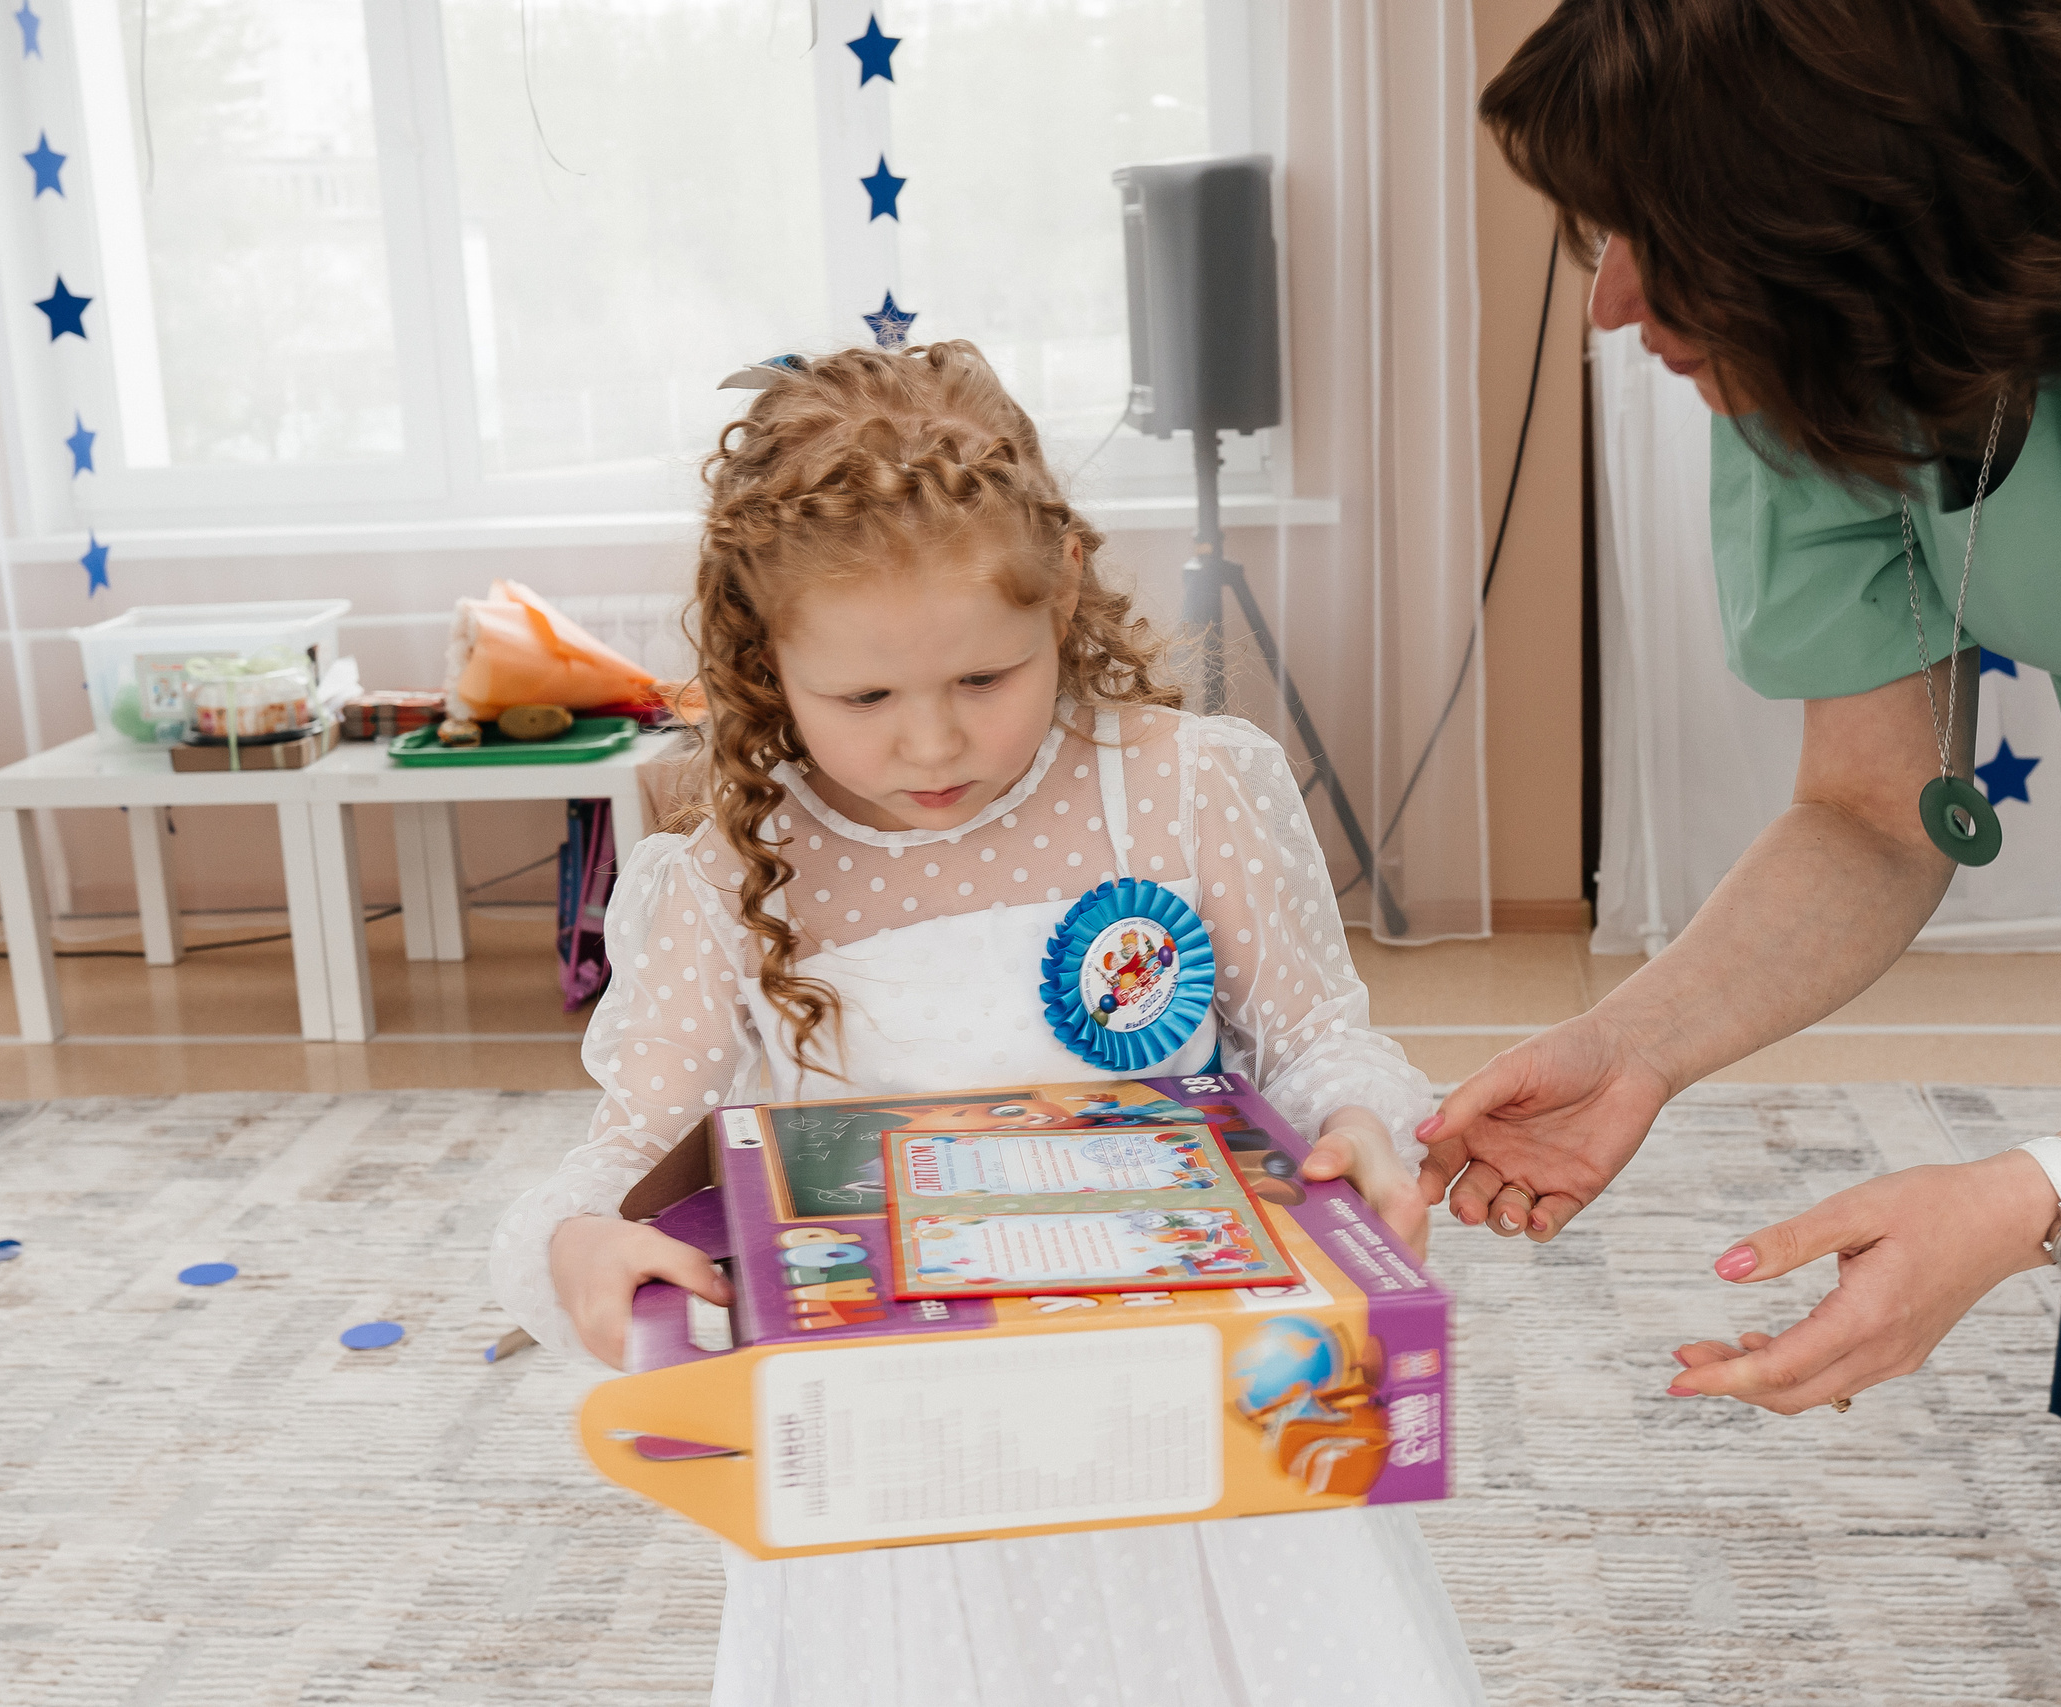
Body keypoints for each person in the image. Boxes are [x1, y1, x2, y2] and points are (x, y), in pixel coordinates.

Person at [1429, 4, 2061, 1701]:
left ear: (1846, 202)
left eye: (1657, 236)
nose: (1614, 301)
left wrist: (2036, 1199)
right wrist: (1632, 1048)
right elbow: (1874, 812)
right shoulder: (1828, 342)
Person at [490, 342, 1485, 1707]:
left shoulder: (1190, 789)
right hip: (911, 1482)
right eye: (866, 700)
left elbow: (1317, 1042)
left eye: (983, 680)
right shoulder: (735, 870)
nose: (933, 747)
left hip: (1197, 1432)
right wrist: (582, 1241)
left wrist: (1360, 1123)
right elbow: (618, 1160)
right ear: (763, 657)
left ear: (1064, 581)